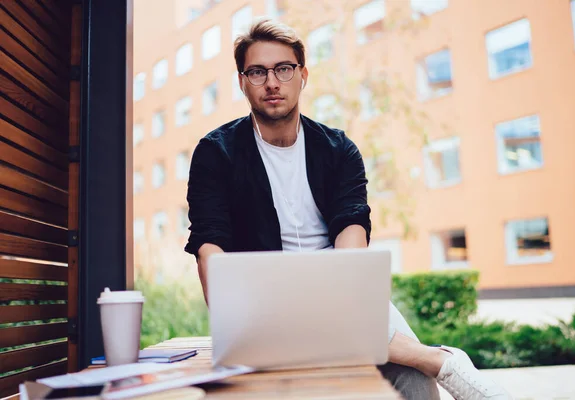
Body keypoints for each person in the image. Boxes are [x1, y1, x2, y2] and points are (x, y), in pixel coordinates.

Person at [185, 18, 512, 400]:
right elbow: (209, 244)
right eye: (257, 72)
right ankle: (439, 360)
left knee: (415, 385)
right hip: (266, 304)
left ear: (302, 75)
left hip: (340, 286)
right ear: (242, 82)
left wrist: (340, 303)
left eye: (283, 69)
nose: (272, 82)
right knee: (414, 361)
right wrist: (230, 321)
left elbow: (352, 224)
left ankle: (420, 360)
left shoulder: (339, 149)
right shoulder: (215, 153)